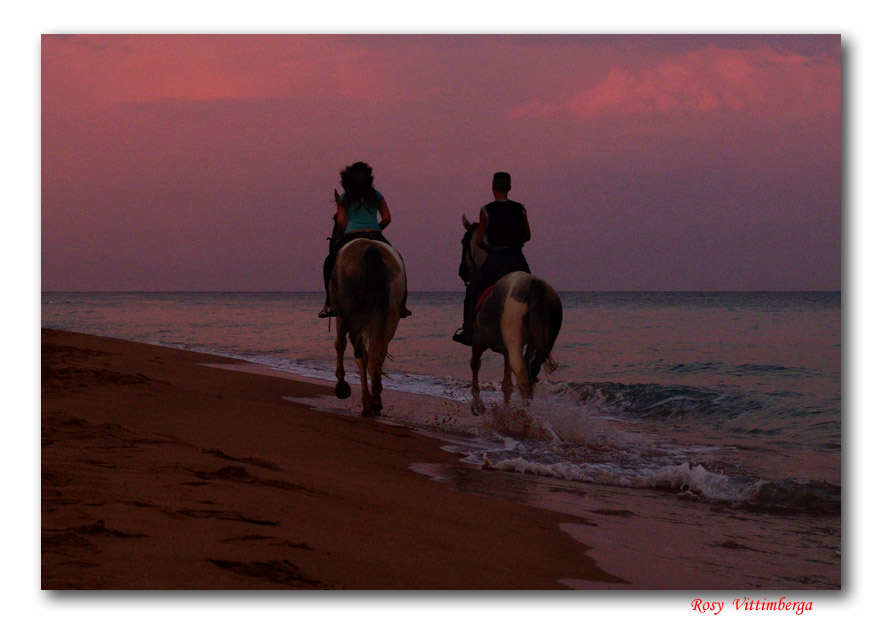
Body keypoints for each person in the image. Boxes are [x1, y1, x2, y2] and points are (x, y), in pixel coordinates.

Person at [320, 161, 411, 319]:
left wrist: (345, 233)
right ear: (369, 179)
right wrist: (375, 229)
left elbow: (341, 222)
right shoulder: (377, 195)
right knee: (399, 260)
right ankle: (402, 306)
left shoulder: (344, 197)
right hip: (375, 233)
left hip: (351, 234)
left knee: (329, 263)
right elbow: (387, 218)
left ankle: (330, 304)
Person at [452, 171, 531, 346]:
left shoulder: (486, 211)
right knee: (532, 290)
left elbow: (479, 240)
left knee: (472, 290)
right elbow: (527, 235)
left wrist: (489, 246)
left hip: (496, 258)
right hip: (518, 257)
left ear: (493, 187)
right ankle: (533, 330)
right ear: (510, 187)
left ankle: (468, 331)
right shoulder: (521, 209)